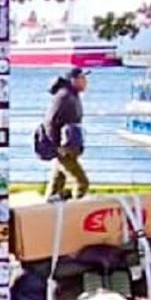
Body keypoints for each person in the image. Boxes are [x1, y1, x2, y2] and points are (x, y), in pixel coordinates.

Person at [43, 66, 90, 201]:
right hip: (64, 149)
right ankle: (78, 209)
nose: (85, 81)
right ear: (73, 80)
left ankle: (48, 207)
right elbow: (50, 121)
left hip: (70, 147)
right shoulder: (64, 97)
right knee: (81, 182)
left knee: (57, 183)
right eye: (82, 78)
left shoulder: (72, 95)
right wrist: (56, 146)